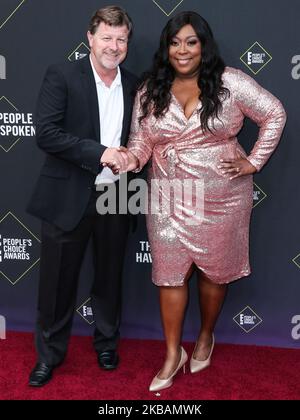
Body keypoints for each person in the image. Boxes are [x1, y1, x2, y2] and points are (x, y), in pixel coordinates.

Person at [103, 11, 286, 391]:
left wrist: (253, 161)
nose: (182, 50)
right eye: (174, 42)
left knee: (214, 274)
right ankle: (173, 353)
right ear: (165, 47)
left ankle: (205, 336)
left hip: (223, 196)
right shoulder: (150, 87)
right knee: (169, 278)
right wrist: (132, 159)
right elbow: (141, 140)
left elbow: (274, 113)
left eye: (190, 42)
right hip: (169, 195)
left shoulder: (230, 82)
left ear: (204, 45)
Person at [27, 5, 138, 387]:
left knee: (110, 277)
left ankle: (106, 343)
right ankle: (49, 355)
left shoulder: (137, 83)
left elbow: (142, 138)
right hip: (67, 194)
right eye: (106, 37)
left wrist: (133, 156)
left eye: (121, 38)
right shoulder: (63, 74)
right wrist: (101, 153)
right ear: (90, 38)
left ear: (127, 43)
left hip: (119, 195)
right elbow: (47, 133)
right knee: (57, 283)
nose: (113, 45)